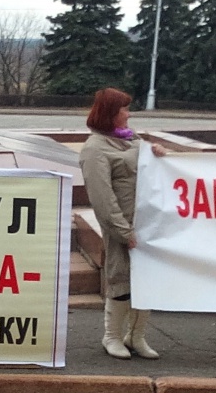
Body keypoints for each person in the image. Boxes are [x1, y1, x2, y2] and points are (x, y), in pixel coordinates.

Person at [78, 87, 167, 360]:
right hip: (122, 226)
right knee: (120, 280)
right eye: (124, 109)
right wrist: (122, 231)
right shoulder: (95, 148)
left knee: (146, 280)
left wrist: (156, 152)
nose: (129, 114)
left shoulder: (130, 139)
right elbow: (102, 197)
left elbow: (149, 165)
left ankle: (136, 336)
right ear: (110, 113)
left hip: (146, 224)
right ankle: (113, 336)